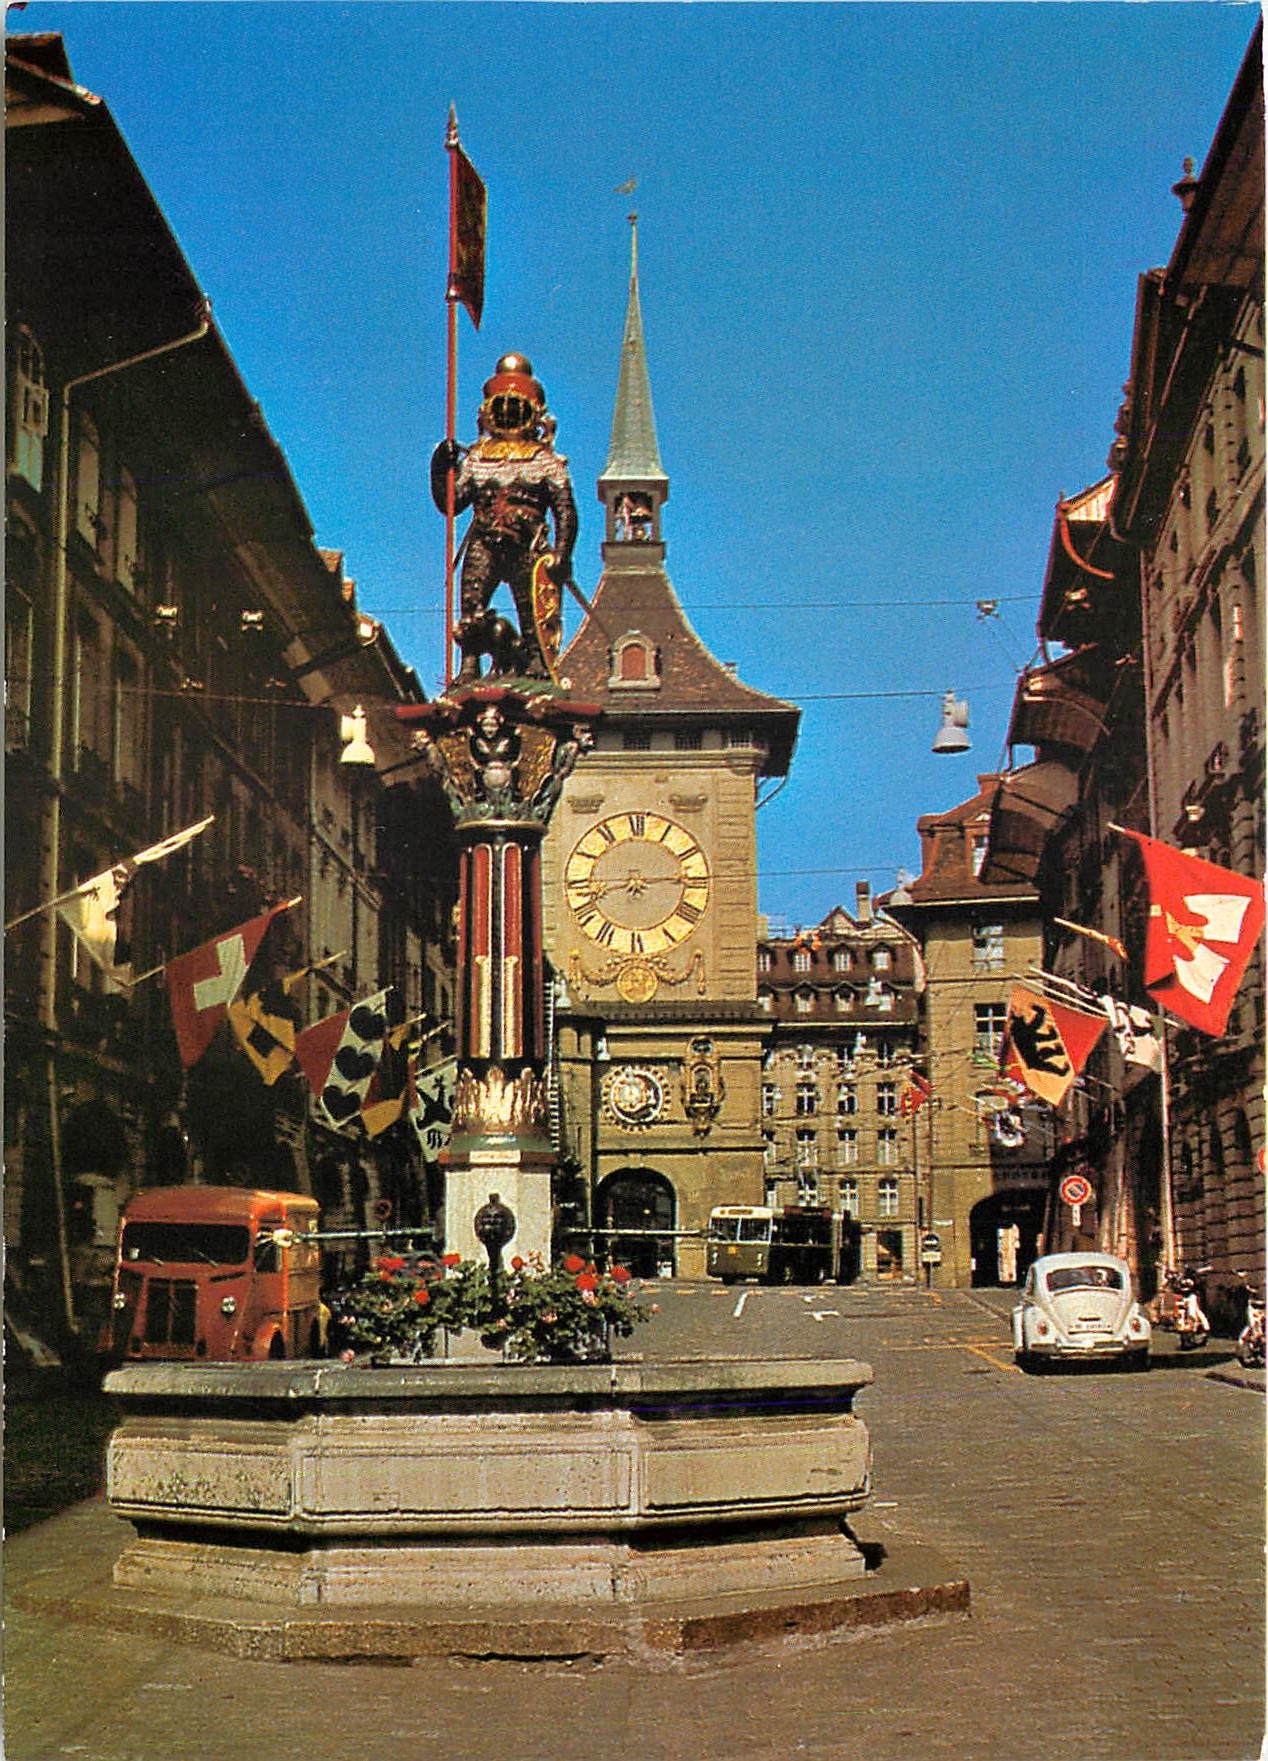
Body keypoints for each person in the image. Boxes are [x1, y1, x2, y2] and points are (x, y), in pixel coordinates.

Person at [431, 354, 577, 683]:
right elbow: (451, 504)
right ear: (489, 412)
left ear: (534, 414)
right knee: (472, 602)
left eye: (516, 407)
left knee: (531, 607)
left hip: (527, 543)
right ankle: (469, 664)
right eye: (503, 407)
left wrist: (562, 552)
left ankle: (538, 658)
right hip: (485, 538)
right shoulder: (478, 458)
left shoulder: (546, 460)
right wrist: (440, 468)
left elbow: (565, 511)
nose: (509, 413)